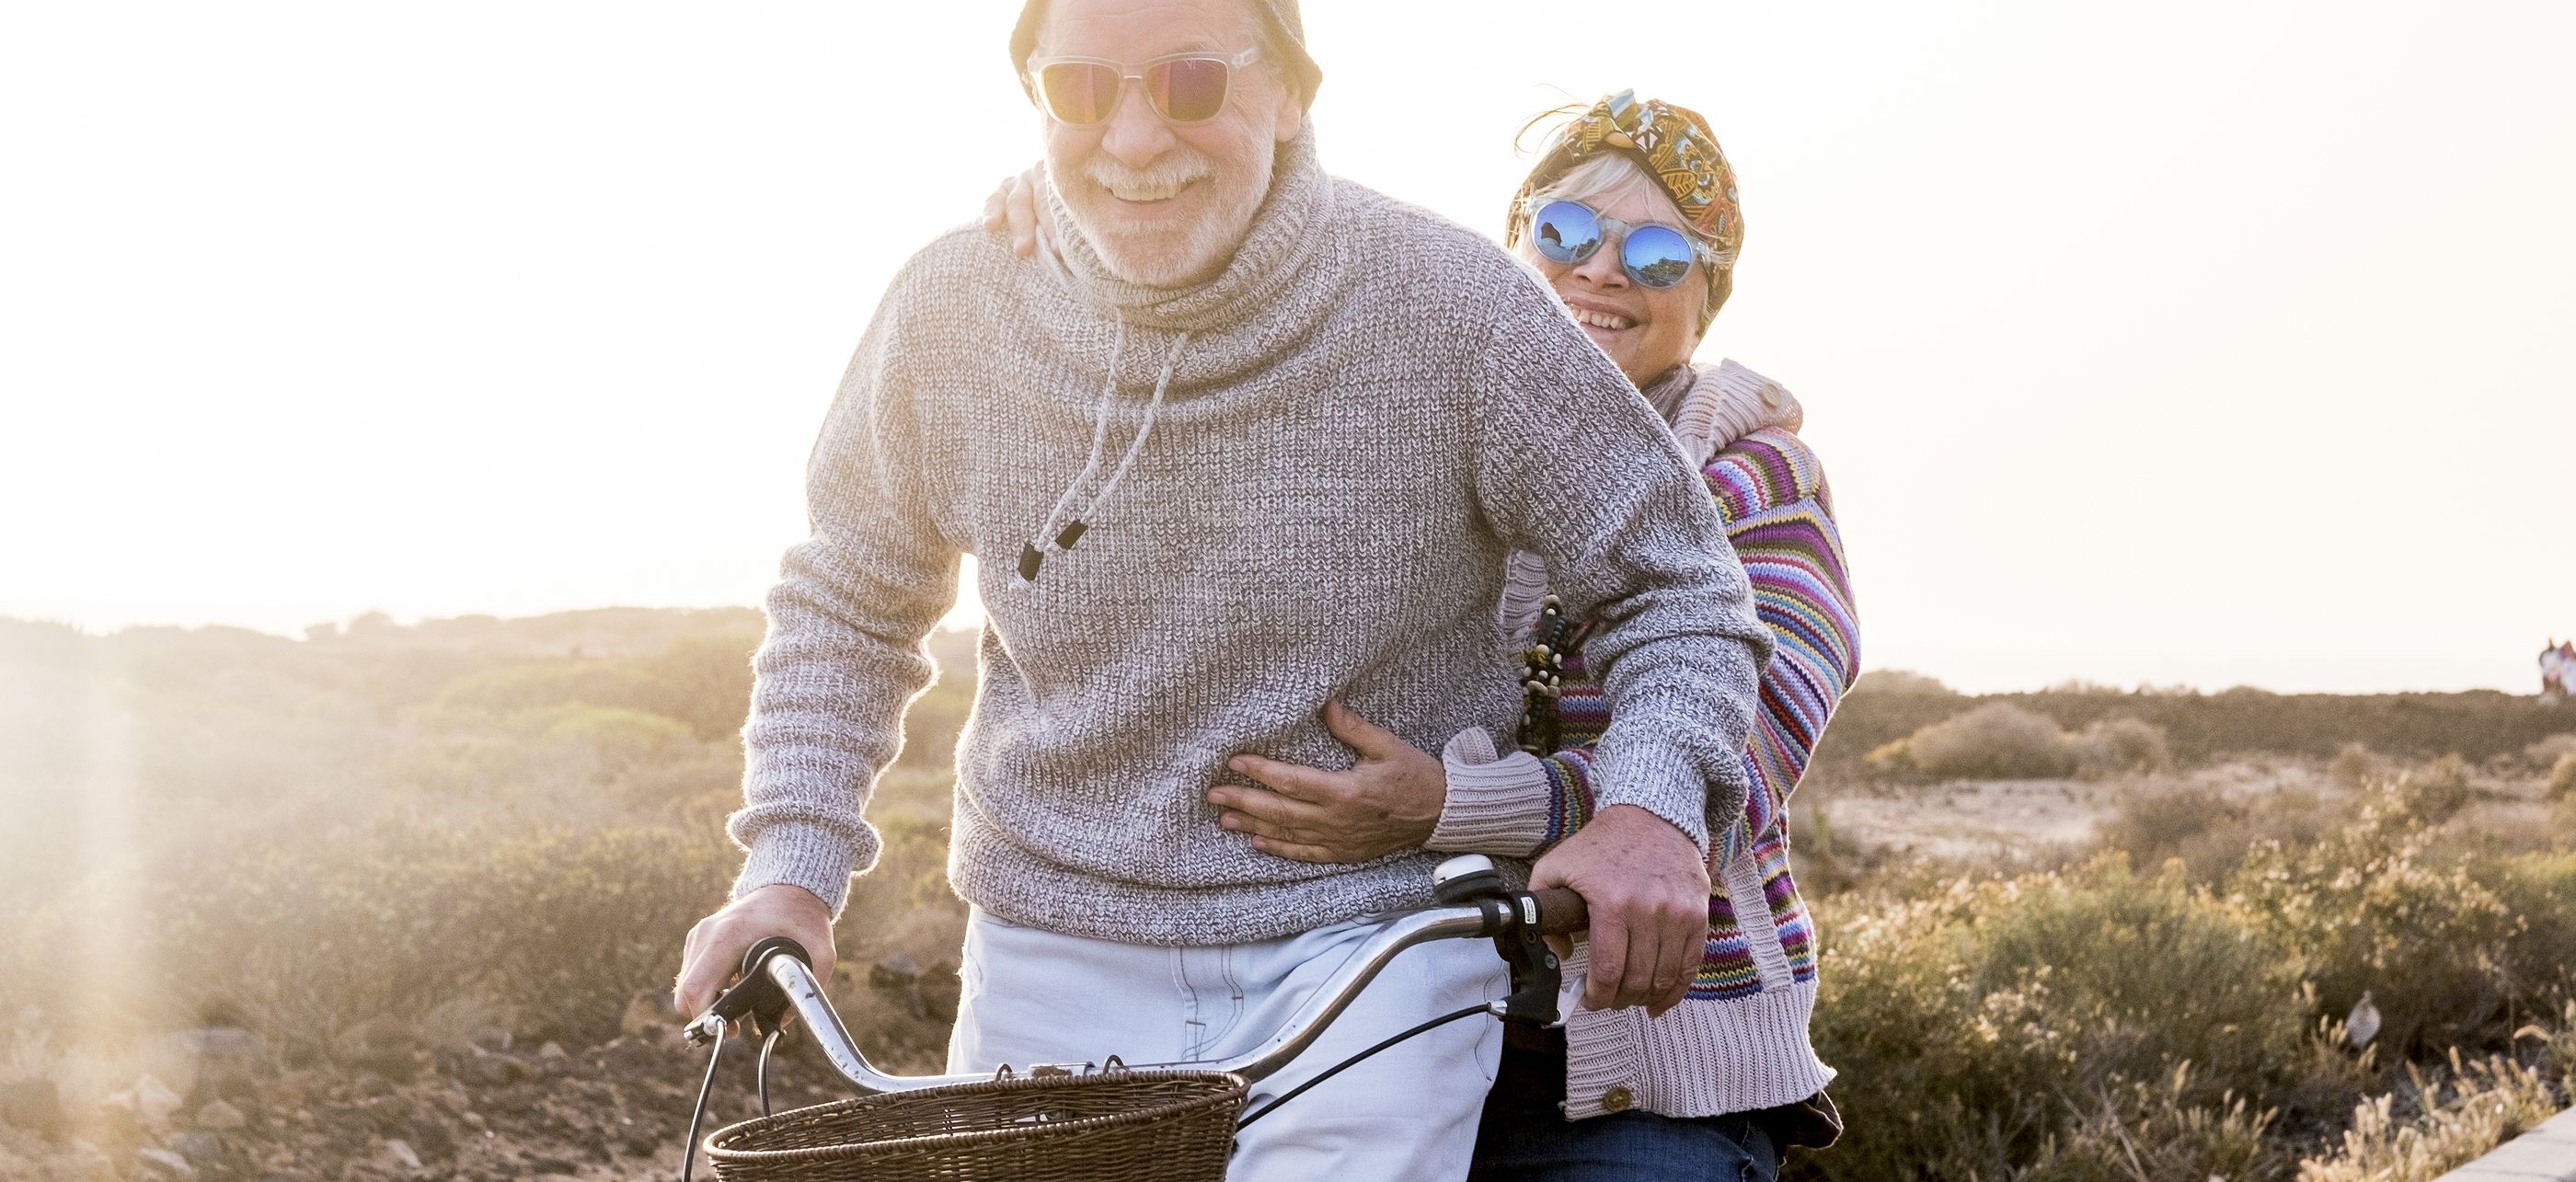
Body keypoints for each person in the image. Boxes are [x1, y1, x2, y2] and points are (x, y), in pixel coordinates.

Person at [671, 4, 1777, 1178]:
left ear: (1292, 93)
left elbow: (1679, 590)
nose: (1137, 137)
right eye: (1085, 90)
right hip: (1051, 942)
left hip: (1373, 948)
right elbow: (849, 598)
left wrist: (1650, 810)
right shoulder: (954, 305)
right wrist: (789, 866)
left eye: (1192, 83)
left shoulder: (1455, 306)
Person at [983, 88, 1860, 1181]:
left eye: (1658, 255)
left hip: (1632, 1068)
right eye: (1565, 233)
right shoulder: (1427, 429)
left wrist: (1444, 810)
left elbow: (1744, 751)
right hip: (1377, 1023)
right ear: (1514, 248)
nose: (1599, 272)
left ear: (1709, 291)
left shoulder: (1758, 479)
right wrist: (1102, 225)